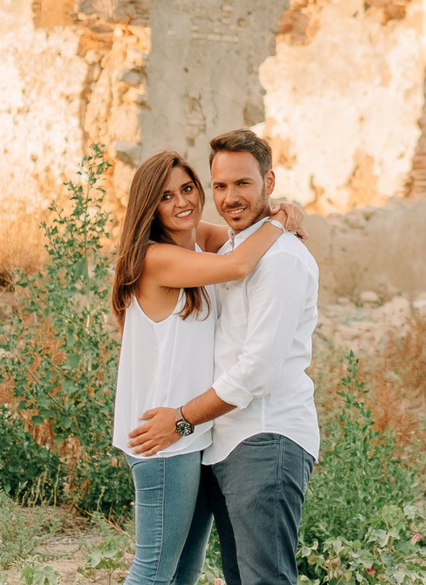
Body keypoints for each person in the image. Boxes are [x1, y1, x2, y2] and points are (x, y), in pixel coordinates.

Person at [125, 129, 321, 585]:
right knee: (193, 574)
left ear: (269, 182)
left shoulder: (279, 259)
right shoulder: (218, 249)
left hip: (261, 435)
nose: (229, 197)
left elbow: (257, 371)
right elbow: (235, 260)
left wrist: (182, 419)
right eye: (220, 186)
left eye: (243, 183)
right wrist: (278, 218)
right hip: (209, 437)